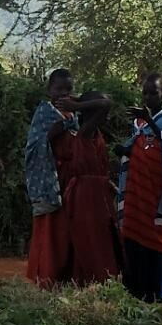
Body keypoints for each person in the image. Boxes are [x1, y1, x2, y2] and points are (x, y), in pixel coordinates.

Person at [25, 69, 110, 286]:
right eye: (58, 89)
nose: (63, 94)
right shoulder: (45, 112)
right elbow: (36, 146)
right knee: (53, 233)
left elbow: (105, 103)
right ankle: (47, 277)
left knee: (70, 237)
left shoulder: (77, 118)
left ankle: (67, 279)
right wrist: (51, 135)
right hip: (53, 182)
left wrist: (78, 106)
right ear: (48, 89)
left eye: (68, 89)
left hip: (74, 187)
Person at [116, 72, 162, 304]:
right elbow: (140, 147)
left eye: (153, 92)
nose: (147, 97)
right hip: (137, 190)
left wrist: (151, 121)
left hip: (160, 191)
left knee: (160, 235)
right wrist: (125, 151)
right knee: (134, 235)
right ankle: (137, 288)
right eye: (144, 92)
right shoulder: (139, 122)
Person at [54, 91, 119, 285]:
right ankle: (94, 281)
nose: (106, 116)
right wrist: (78, 106)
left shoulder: (95, 133)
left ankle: (94, 282)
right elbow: (107, 103)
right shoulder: (85, 132)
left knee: (100, 239)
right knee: (89, 240)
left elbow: (105, 104)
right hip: (86, 195)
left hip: (97, 194)